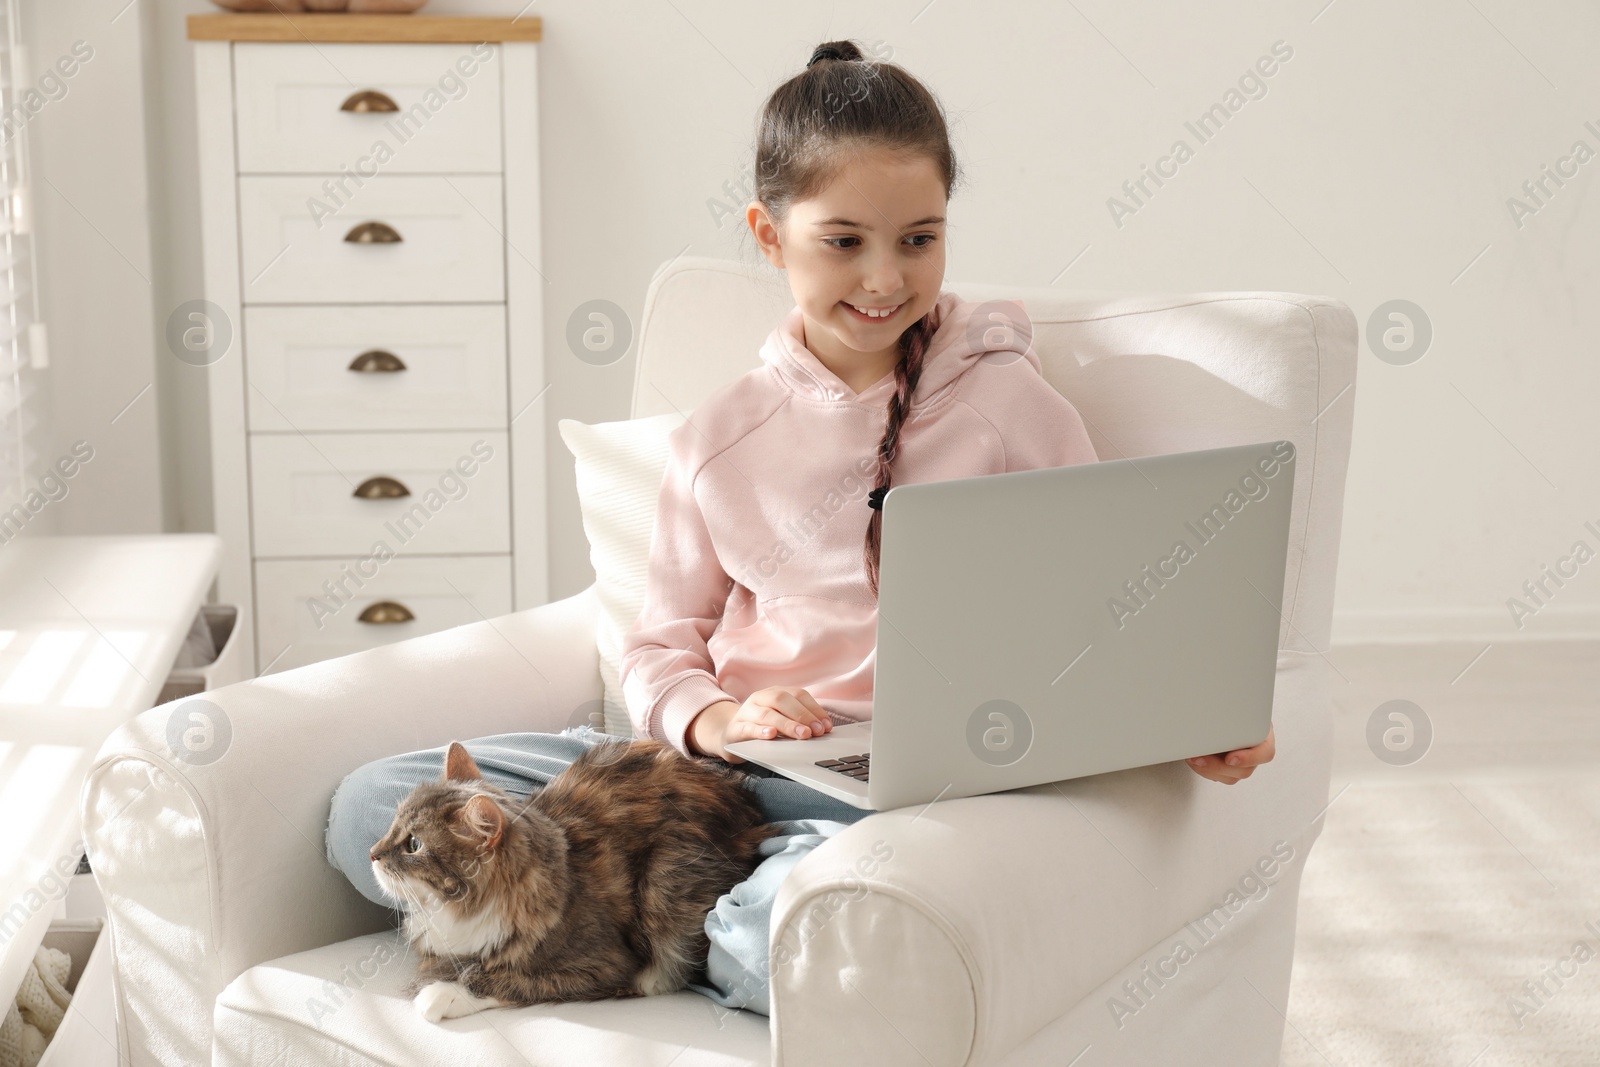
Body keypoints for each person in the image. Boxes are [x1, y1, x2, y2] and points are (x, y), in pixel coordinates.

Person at [324, 37, 1276, 1021]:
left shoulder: (1006, 403)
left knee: (772, 947)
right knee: (369, 804)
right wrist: (717, 717)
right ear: (769, 235)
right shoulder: (720, 434)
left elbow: (1111, 600)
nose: (883, 275)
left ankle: (645, 926)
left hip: (879, 795)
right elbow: (659, 642)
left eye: (919, 238)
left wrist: (1191, 715)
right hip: (698, 780)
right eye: (843, 239)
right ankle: (631, 912)